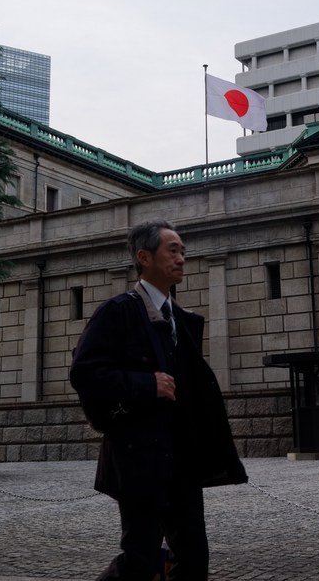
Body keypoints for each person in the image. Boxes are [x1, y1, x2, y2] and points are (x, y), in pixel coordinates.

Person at [70, 219, 247, 581]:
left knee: (194, 557)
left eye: (183, 250)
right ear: (144, 257)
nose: (182, 258)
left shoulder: (182, 319)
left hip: (181, 458)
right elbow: (84, 372)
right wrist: (144, 385)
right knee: (140, 558)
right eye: (173, 250)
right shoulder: (118, 312)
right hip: (139, 457)